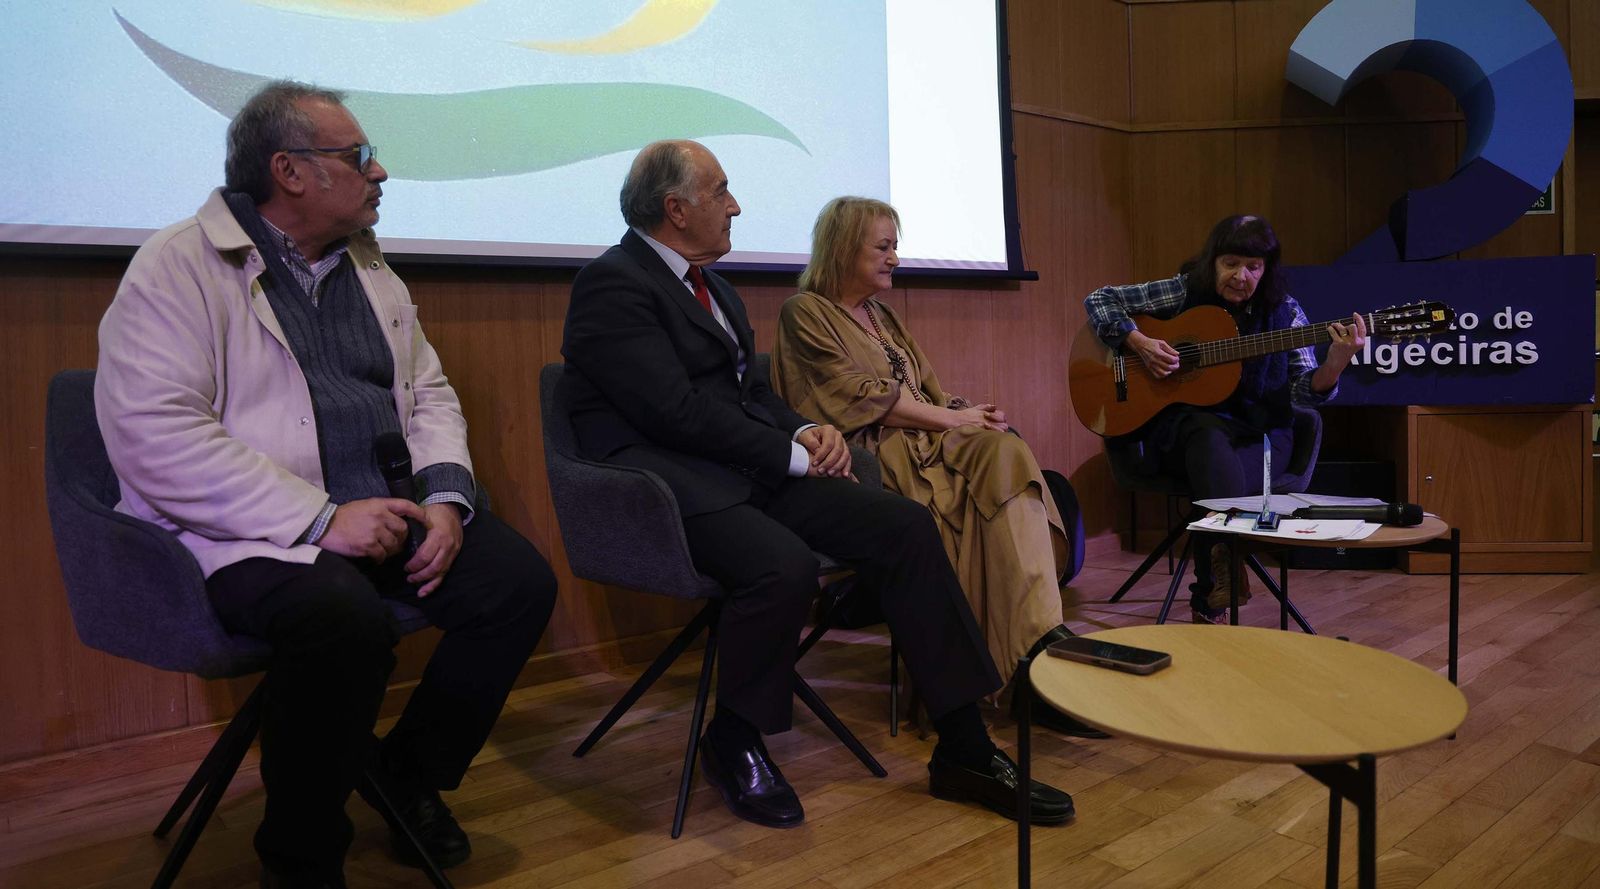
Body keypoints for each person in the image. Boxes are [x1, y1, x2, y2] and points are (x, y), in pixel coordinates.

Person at [95, 81, 556, 889]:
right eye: (360, 157)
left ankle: (403, 773)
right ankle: (301, 858)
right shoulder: (178, 264)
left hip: (379, 508)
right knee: (341, 619)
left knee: (516, 582)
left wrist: (447, 499)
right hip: (243, 529)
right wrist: (317, 518)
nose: (380, 173)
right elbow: (155, 433)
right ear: (290, 172)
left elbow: (428, 395)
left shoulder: (372, 270)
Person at [560, 140, 1075, 831]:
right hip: (660, 483)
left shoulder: (719, 290)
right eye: (721, 192)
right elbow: (670, 413)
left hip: (739, 470)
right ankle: (733, 735)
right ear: (675, 209)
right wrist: (790, 451)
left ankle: (965, 747)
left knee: (904, 526)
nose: (735, 205)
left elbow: (748, 394)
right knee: (783, 564)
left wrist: (804, 430)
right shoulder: (613, 284)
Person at [769, 196, 1101, 739]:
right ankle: (1021, 671)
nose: (894, 257)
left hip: (925, 440)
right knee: (985, 469)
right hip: (871, 455)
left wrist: (964, 412)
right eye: (883, 246)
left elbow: (925, 391)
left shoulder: (882, 314)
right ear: (844, 248)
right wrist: (953, 421)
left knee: (1007, 450)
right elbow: (856, 398)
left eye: (895, 246)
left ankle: (1037, 642)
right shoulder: (804, 312)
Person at [1083, 214, 1366, 623]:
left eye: (1254, 267)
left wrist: (1335, 365)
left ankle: (1213, 589)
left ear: (1266, 270)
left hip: (1262, 436)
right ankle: (1227, 568)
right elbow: (1099, 299)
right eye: (1230, 263)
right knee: (1204, 432)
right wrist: (1139, 342)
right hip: (1187, 433)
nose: (1241, 276)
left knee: (1215, 461)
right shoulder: (1184, 291)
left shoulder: (1286, 312)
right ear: (1212, 261)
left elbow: (1302, 392)